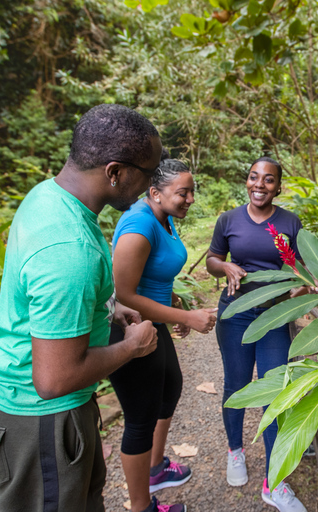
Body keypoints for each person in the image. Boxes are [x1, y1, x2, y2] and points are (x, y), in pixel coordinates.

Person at [0, 104, 162, 512]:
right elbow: (54, 378)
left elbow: (47, 299)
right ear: (115, 172)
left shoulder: (49, 197)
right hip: (38, 418)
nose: (148, 188)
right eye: (147, 172)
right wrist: (132, 347)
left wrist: (107, 309)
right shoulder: (70, 250)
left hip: (24, 408)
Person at [110, 159, 218, 512]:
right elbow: (124, 293)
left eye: (191, 192)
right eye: (182, 193)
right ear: (155, 193)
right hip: (131, 331)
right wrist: (186, 315)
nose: (189, 199)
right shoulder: (139, 226)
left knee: (169, 390)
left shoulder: (164, 216)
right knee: (141, 418)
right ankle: (142, 506)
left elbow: (152, 274)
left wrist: (174, 302)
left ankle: (155, 469)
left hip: (154, 322)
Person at [206, 157, 307, 512]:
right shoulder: (229, 220)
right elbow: (211, 259)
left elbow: (300, 267)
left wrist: (298, 291)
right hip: (234, 314)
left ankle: (274, 482)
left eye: (268, 180)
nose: (259, 185)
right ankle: (236, 451)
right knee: (236, 384)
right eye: (254, 178)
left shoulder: (290, 222)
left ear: (278, 186)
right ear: (246, 182)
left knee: (274, 392)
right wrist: (225, 265)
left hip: (274, 316)